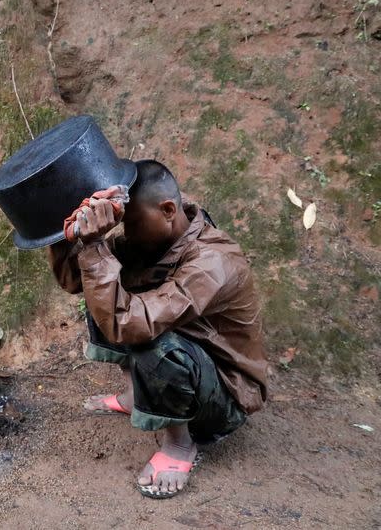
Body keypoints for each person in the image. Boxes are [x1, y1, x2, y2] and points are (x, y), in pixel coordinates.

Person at [48, 159, 268, 499]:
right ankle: (137, 394)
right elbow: (79, 279)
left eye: (132, 224)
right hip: (194, 366)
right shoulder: (157, 238)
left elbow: (130, 324)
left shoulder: (212, 262)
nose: (127, 233)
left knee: (150, 339)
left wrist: (95, 248)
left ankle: (180, 444)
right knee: (103, 285)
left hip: (226, 396)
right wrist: (68, 235)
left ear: (167, 209)